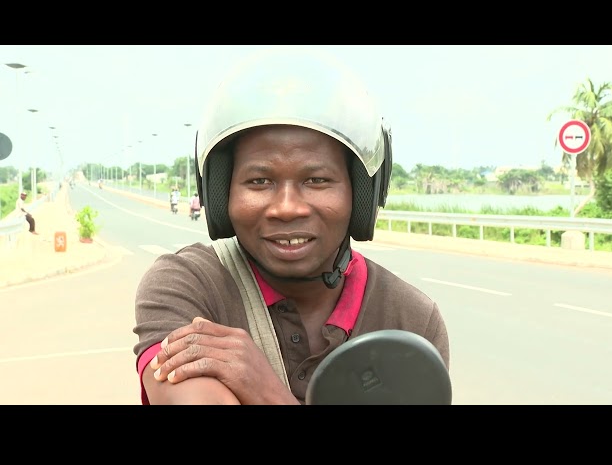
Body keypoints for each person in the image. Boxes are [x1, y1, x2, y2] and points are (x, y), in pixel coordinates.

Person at [133, 46, 450, 405]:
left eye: (316, 180)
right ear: (221, 193)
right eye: (259, 182)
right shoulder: (189, 285)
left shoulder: (410, 321)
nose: (286, 208)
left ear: (360, 193)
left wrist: (266, 390)